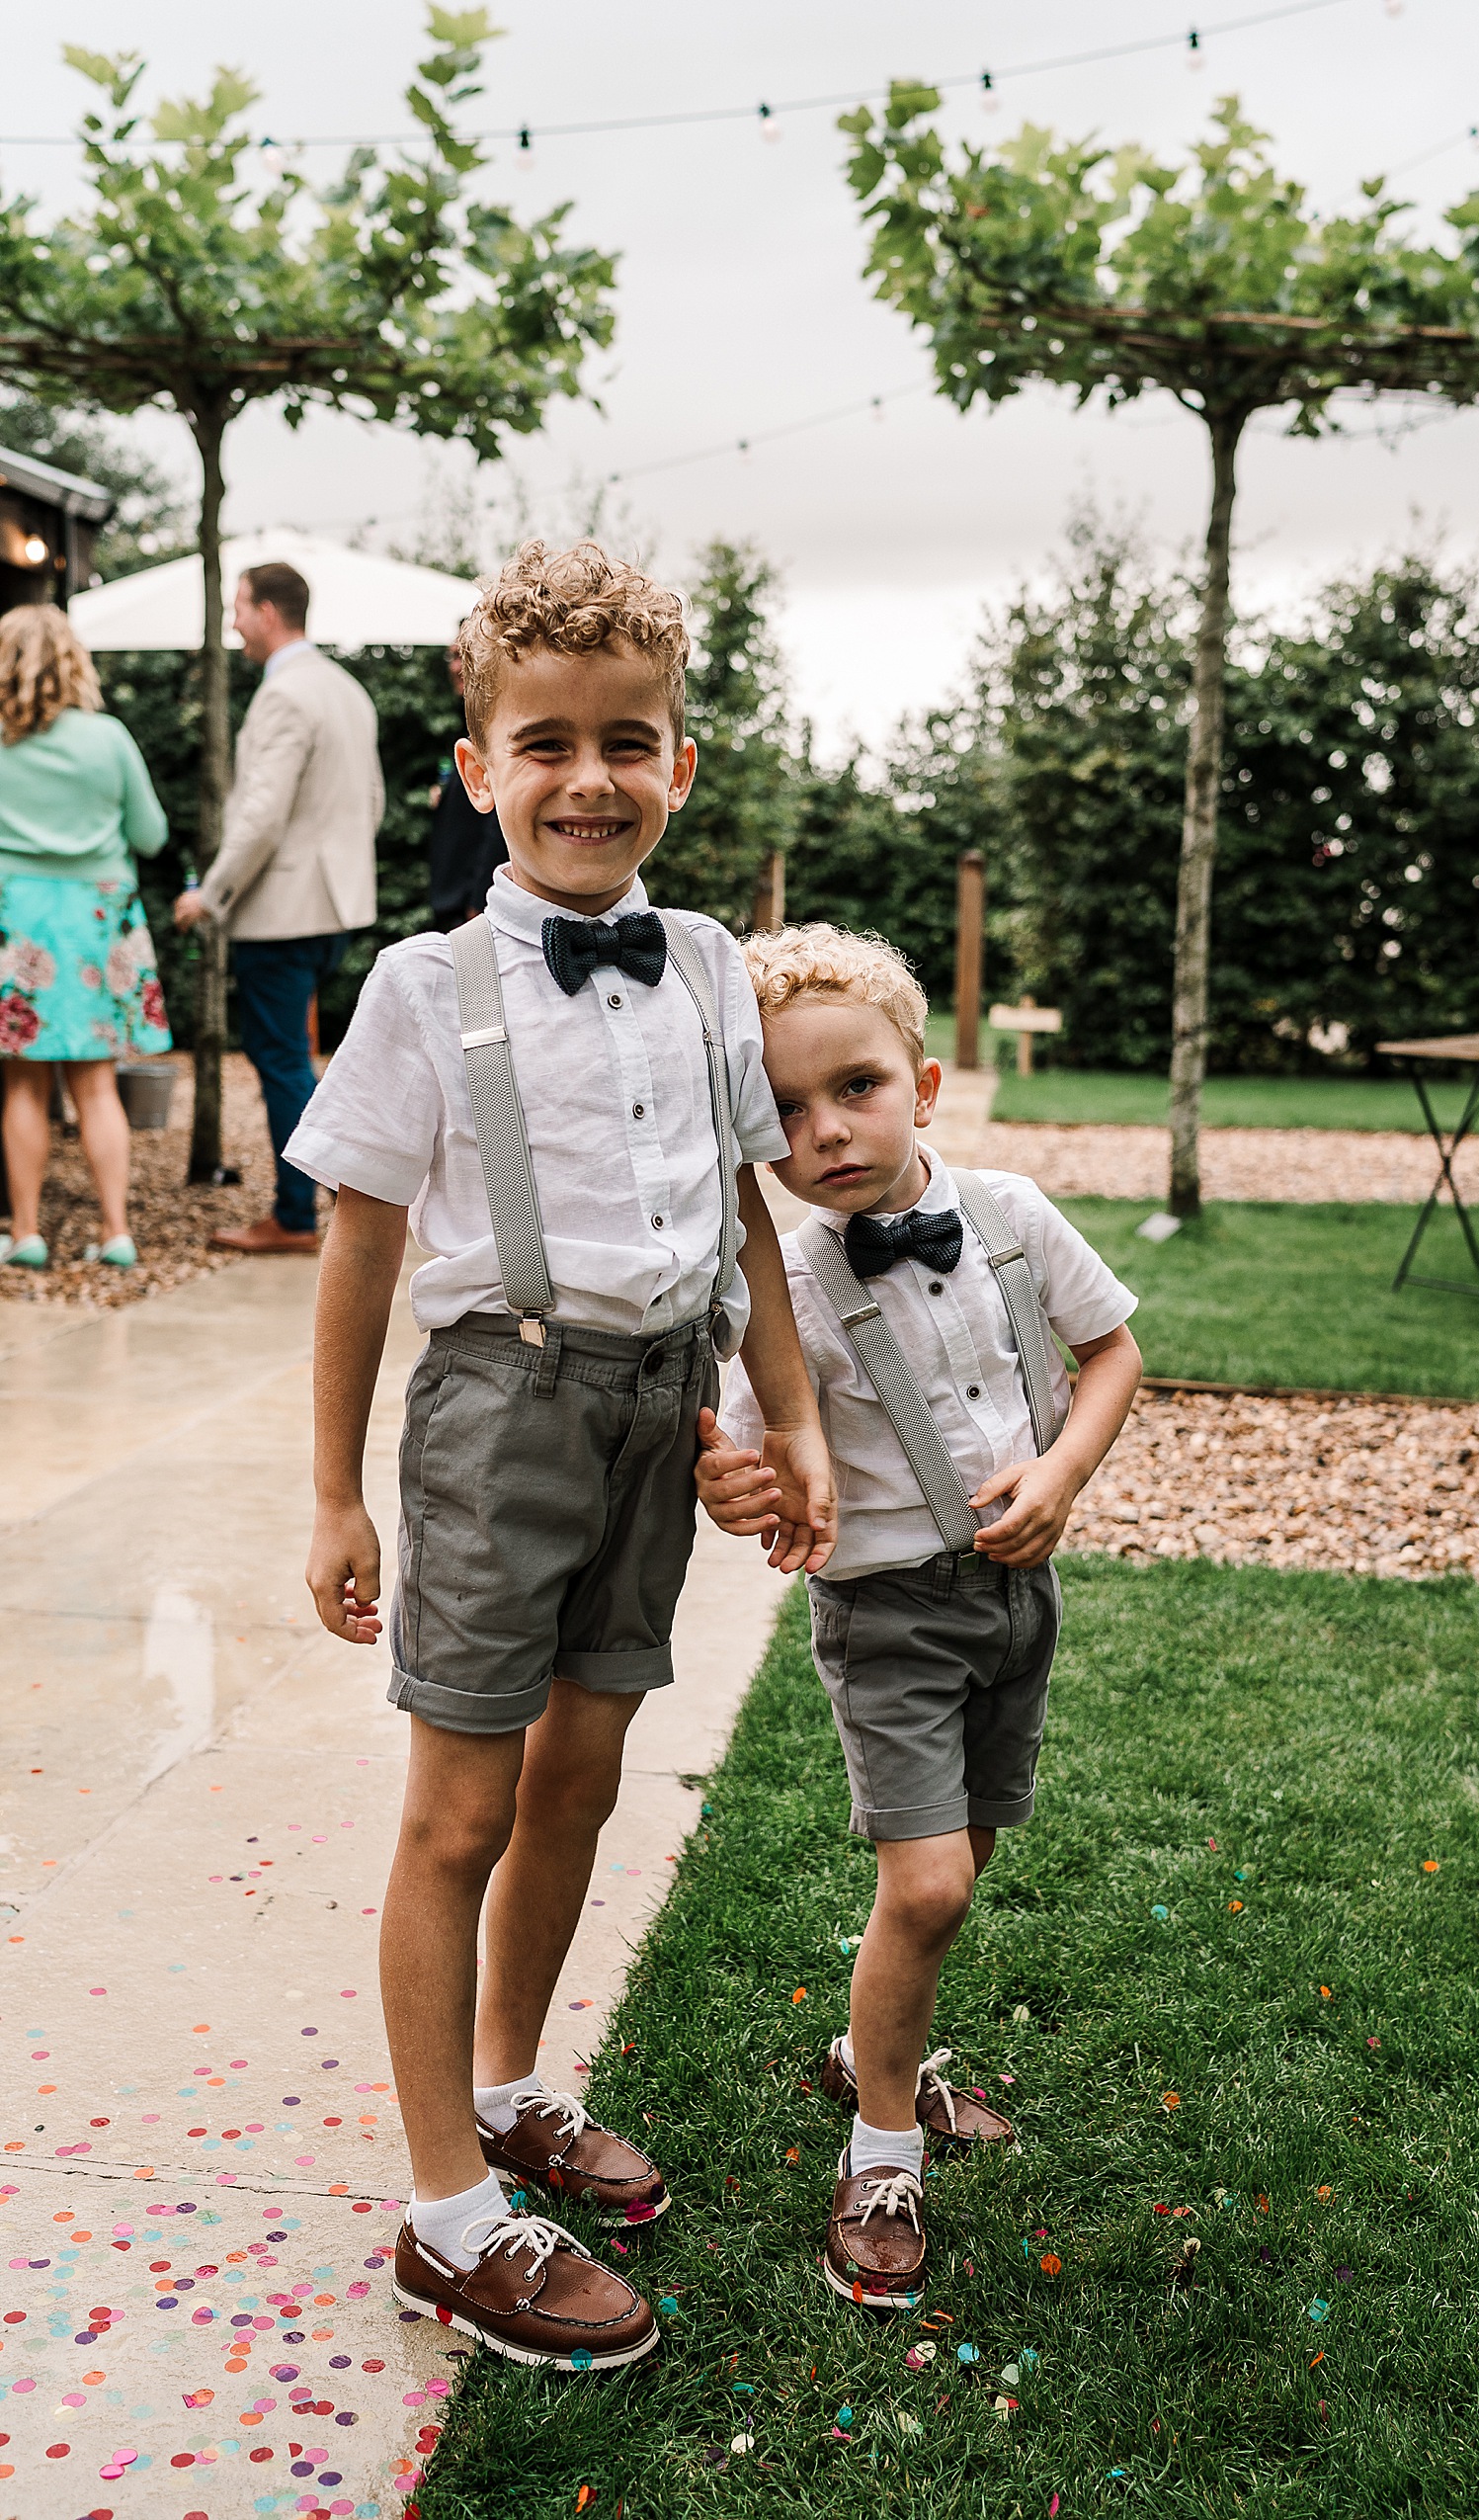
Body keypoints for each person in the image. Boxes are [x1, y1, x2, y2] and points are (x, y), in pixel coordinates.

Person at [288, 542, 836, 2368]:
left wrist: (789, 1414)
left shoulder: (703, 966)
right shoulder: (419, 988)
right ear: (477, 769)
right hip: (497, 1410)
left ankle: (514, 2084)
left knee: (582, 1774)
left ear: (683, 764)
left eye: (630, 742)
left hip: (661, 1411)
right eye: (545, 744)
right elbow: (359, 1248)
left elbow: (748, 1220)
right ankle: (448, 2216)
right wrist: (331, 1487)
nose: (587, 778)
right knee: (460, 1809)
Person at [698, 922, 1142, 2310]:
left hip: (1019, 1597)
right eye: (783, 1109)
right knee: (929, 1880)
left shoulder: (1012, 1211)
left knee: (969, 1860)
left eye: (856, 1087)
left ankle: (870, 2044)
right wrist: (736, 1475)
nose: (825, 1128)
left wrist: (1062, 1472)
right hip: (885, 1612)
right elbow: (744, 1444)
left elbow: (1113, 1348)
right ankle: (881, 2144)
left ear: (926, 1083)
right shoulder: (787, 1286)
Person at [174, 560, 383, 1255]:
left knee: (280, 1056)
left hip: (283, 908)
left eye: (238, 607)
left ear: (268, 612)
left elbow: (262, 816)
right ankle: (336, 1188)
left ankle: (299, 1212)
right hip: (334, 905)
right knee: (298, 1054)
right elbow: (373, 805)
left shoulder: (284, 695)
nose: (233, 621)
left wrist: (211, 892)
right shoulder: (347, 690)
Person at [0, 604, 171, 1272]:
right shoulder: (110, 739)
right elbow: (151, 835)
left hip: (18, 919)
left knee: (23, 1086)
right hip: (97, 924)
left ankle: (27, 1233)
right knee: (97, 1083)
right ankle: (116, 1230)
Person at [429, 633, 506, 929]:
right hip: (454, 902)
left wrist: (482, 899)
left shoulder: (496, 731)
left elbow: (499, 821)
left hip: (476, 907)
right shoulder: (467, 723)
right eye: (453, 656)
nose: (457, 667)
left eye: (466, 655)